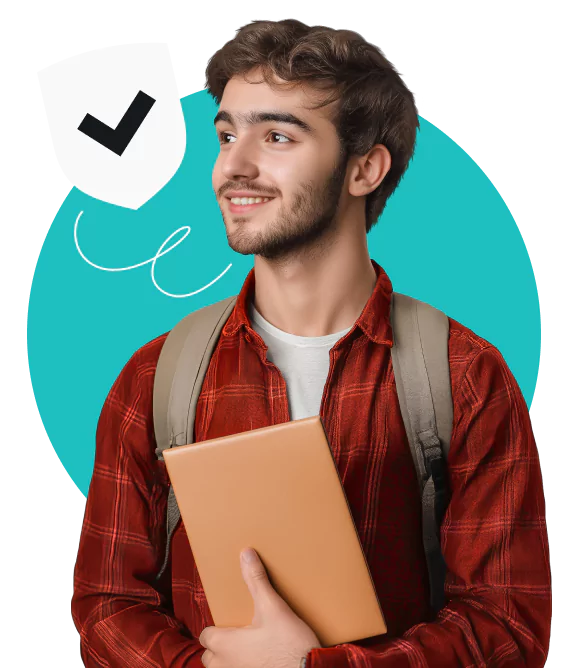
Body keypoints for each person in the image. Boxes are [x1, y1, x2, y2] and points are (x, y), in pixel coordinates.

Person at [71, 19, 551, 667]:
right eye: (226, 135)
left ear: (364, 169)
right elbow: (105, 603)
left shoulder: (463, 376)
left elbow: (509, 626)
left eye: (276, 137)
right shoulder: (157, 375)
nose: (232, 167)